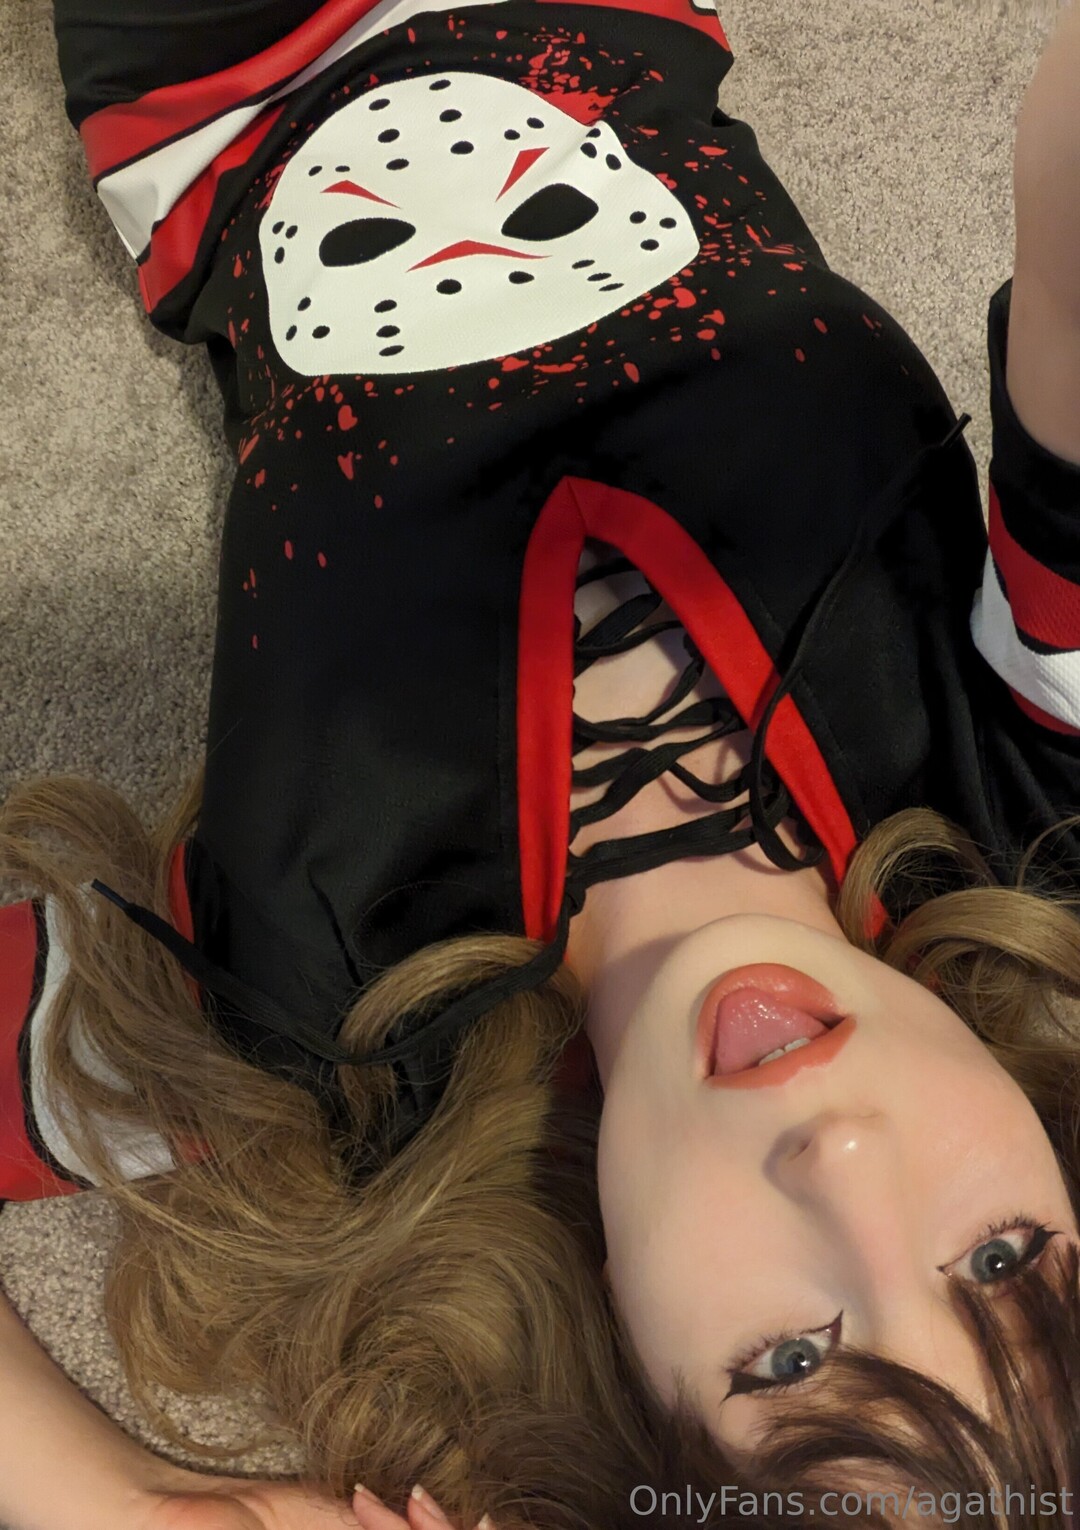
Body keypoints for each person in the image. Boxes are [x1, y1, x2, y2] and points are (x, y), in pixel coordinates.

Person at [3, 0, 1080, 1523]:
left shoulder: (321, 1033)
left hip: (222, 77)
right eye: (1001, 1258)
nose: (841, 1152)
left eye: (788, 1359)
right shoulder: (1028, 802)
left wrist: (136, 1498)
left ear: (629, 1378)